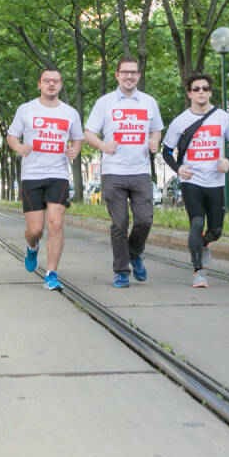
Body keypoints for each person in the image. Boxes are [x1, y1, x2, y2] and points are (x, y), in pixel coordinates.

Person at [83, 57, 163, 288]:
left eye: (134, 73)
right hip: (114, 172)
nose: (130, 76)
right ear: (117, 75)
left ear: (139, 75)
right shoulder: (105, 103)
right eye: (125, 72)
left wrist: (154, 142)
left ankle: (134, 253)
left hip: (140, 172)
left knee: (145, 220)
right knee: (119, 223)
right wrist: (102, 146)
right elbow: (89, 133)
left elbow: (156, 131)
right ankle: (121, 271)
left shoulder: (149, 102)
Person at [161, 72, 229, 288]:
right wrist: (179, 169)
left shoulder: (223, 117)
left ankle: (204, 244)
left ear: (210, 92)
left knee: (216, 231)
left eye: (205, 88)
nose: (201, 92)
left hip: (216, 182)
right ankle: (198, 271)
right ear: (189, 93)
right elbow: (166, 151)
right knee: (197, 222)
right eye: (196, 89)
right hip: (192, 181)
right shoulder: (180, 121)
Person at [7, 68, 84, 291]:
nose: (51, 84)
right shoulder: (26, 110)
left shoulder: (70, 113)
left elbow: (77, 139)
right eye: (47, 81)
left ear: (61, 85)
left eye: (56, 81)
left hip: (58, 175)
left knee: (56, 224)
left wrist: (75, 150)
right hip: (32, 175)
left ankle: (51, 274)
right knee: (36, 230)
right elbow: (11, 136)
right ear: (39, 84)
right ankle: (32, 247)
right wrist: (19, 147)